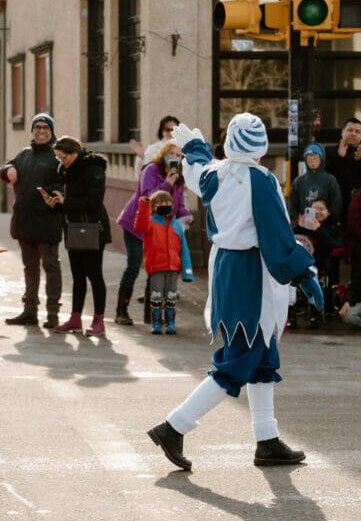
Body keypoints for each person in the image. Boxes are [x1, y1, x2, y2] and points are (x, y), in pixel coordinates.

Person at [147, 114, 323, 471]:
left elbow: (197, 165)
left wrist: (193, 145)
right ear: (260, 147)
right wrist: (303, 272)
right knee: (240, 359)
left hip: (226, 266)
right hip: (251, 271)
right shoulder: (262, 180)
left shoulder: (216, 173)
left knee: (261, 357)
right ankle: (174, 427)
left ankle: (267, 438)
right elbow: (276, 236)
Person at [114, 140, 192, 325]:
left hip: (158, 229)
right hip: (137, 224)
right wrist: (166, 184)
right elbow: (147, 195)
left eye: (180, 156)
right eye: (173, 153)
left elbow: (178, 204)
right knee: (133, 266)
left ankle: (151, 313)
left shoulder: (179, 178)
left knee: (154, 270)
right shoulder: (151, 169)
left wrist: (186, 214)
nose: (176, 158)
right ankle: (121, 311)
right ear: (164, 153)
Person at [0, 113, 64, 327]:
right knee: (30, 268)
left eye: (45, 127)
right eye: (37, 127)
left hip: (47, 222)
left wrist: (54, 194)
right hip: (24, 222)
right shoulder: (24, 154)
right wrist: (9, 169)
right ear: (32, 131)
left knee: (51, 267)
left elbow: (63, 186)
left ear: (51, 132)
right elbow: (3, 168)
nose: (41, 131)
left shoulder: (57, 159)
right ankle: (30, 311)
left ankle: (52, 315)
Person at [42, 136, 110, 335]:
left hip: (92, 228)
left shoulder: (93, 169)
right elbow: (66, 204)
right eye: (58, 158)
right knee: (78, 276)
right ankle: (75, 318)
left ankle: (99, 320)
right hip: (73, 228)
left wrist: (66, 202)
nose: (61, 162)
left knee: (94, 274)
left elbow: (94, 202)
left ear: (75, 153)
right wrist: (54, 204)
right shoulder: (65, 170)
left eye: (64, 157)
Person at [134, 190, 194, 335]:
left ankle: (170, 323)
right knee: (156, 295)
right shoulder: (150, 223)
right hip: (156, 267)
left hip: (173, 267)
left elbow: (184, 250)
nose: (165, 206)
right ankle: (156, 323)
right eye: (161, 204)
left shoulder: (177, 226)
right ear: (153, 207)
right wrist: (143, 204)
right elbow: (139, 226)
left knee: (171, 296)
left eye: (168, 204)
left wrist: (187, 272)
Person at [291, 196, 342, 328]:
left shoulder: (332, 226)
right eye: (314, 208)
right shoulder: (302, 224)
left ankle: (315, 311)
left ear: (328, 212)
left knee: (311, 275)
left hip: (319, 264)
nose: (317, 211)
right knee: (288, 277)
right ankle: (290, 312)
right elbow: (287, 239)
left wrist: (319, 230)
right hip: (297, 262)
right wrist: (297, 226)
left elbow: (334, 245)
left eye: (321, 209)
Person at [287, 142, 343, 222]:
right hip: (303, 227)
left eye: (315, 155)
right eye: (309, 155)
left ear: (322, 158)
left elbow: (336, 207)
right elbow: (292, 210)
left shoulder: (330, 180)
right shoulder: (298, 182)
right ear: (305, 159)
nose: (312, 158)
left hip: (326, 227)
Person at [327, 118, 361, 197]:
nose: (353, 134)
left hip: (360, 200)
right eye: (350, 130)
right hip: (336, 199)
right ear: (342, 132)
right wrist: (339, 157)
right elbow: (327, 176)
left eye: (357, 132)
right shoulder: (330, 152)